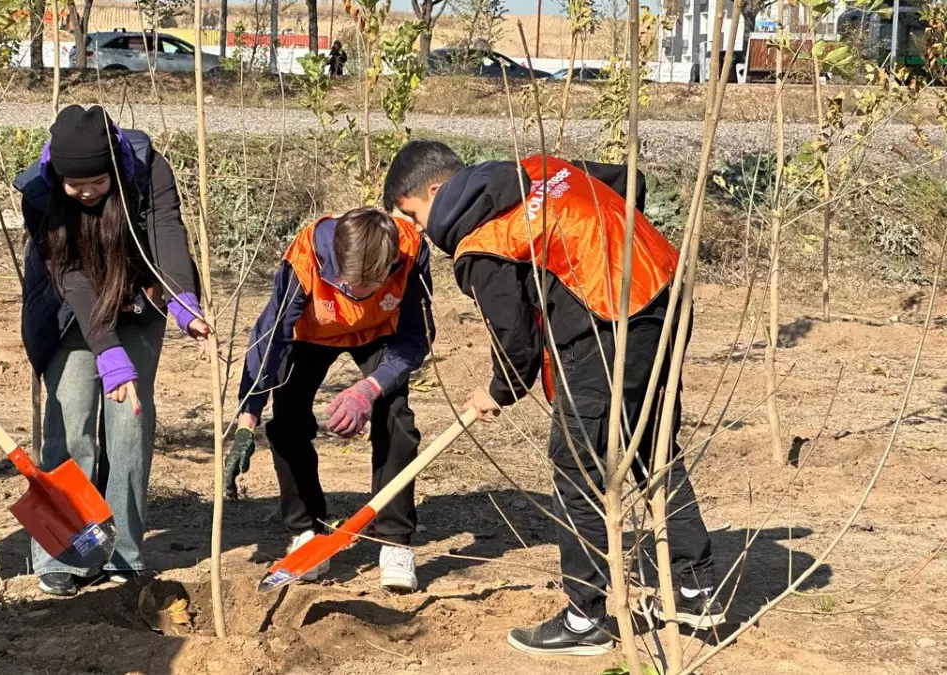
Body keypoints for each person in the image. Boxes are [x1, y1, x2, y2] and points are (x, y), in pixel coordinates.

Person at [382, 140, 722, 655]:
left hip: (608, 321)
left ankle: (586, 618)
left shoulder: (483, 241)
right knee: (649, 447)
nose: (419, 232)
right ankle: (695, 591)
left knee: (576, 464)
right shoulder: (538, 168)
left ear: (434, 189)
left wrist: (498, 390)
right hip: (663, 288)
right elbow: (628, 183)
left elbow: (515, 342)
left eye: (412, 215)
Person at [14, 105, 207, 597]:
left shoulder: (146, 170)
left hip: (139, 299)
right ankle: (65, 551)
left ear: (114, 169)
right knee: (72, 416)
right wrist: (106, 350)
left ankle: (123, 551)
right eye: (73, 184)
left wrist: (183, 300)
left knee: (130, 420)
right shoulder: (39, 193)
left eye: (95, 182)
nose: (83, 192)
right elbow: (72, 276)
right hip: (67, 308)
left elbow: (167, 237)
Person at [225, 207, 432, 591]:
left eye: (368, 288)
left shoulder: (411, 251)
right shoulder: (304, 260)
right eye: (349, 285)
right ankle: (306, 532)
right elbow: (269, 340)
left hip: (381, 335)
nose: (356, 296)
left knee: (396, 417)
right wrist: (247, 416)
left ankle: (394, 540)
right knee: (287, 420)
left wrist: (370, 387)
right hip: (311, 334)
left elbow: (415, 339)